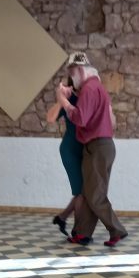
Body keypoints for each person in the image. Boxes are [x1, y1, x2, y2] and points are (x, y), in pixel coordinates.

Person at [56, 52, 127, 247]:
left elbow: (80, 118)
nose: (72, 78)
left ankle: (117, 230)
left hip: (97, 146)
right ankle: (82, 233)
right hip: (102, 146)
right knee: (89, 193)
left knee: (95, 195)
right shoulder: (97, 87)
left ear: (80, 70)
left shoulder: (89, 88)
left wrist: (63, 101)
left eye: (72, 73)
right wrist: (73, 95)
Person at [47, 65, 84, 239]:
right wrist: (61, 99)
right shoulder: (69, 99)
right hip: (70, 149)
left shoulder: (88, 96)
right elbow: (50, 118)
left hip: (86, 149)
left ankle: (62, 218)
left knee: (83, 192)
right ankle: (78, 231)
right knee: (81, 192)